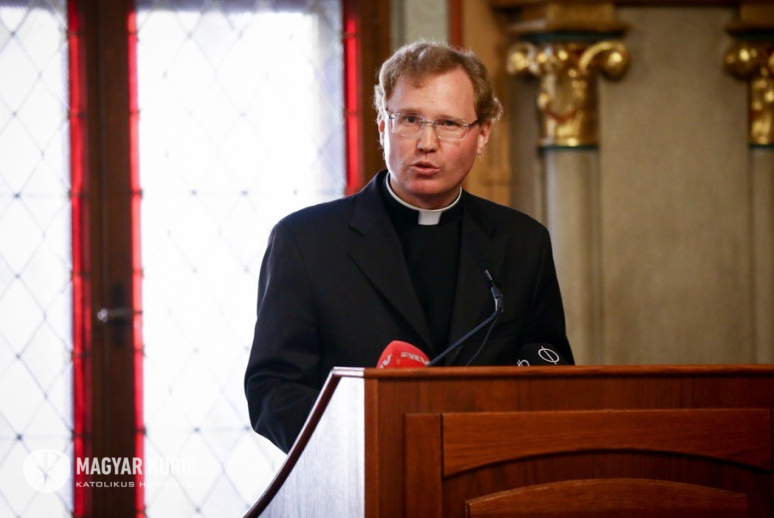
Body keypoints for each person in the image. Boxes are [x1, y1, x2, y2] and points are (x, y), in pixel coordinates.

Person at [245, 40, 574, 452]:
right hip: (362, 472)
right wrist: (363, 444)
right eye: (410, 119)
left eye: (449, 123)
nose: (426, 143)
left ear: (482, 135)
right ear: (383, 126)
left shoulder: (523, 242)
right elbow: (273, 389)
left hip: (486, 467)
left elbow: (550, 363)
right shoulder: (305, 241)